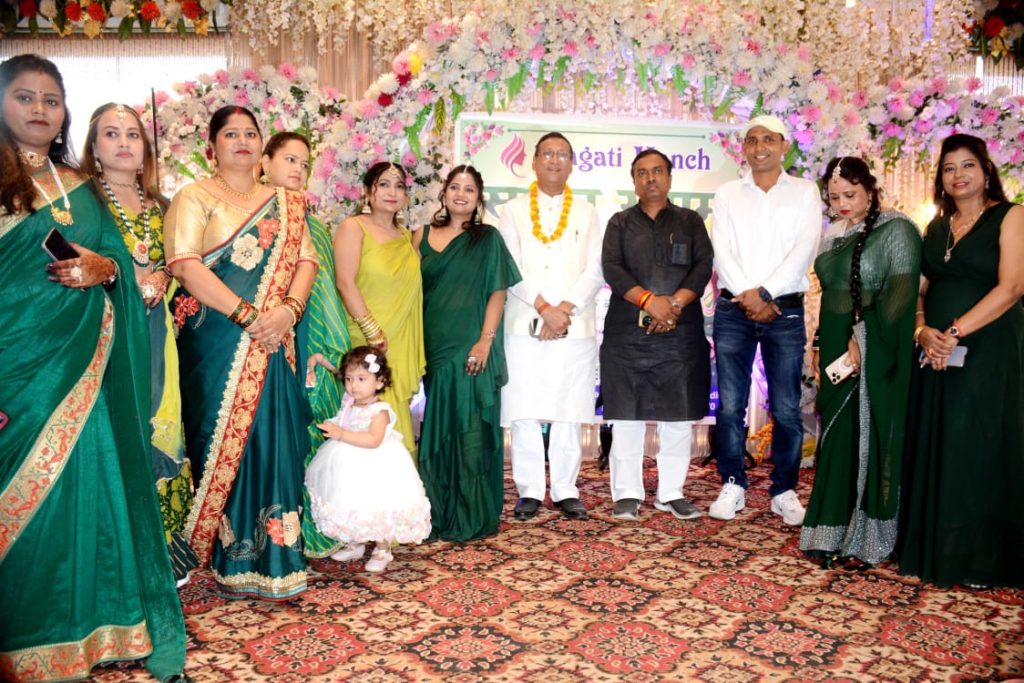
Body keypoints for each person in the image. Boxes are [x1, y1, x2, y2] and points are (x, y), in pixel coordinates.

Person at [0, 54, 186, 682]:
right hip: (14, 366)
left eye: (50, 100)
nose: (39, 109)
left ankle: (96, 630)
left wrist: (104, 269)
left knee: (86, 488)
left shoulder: (80, 185)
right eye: (25, 97)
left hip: (85, 364)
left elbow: (115, 263)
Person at [165, 105, 317, 600]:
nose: (243, 141)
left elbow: (306, 261)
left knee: (275, 439)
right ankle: (228, 555)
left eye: (251, 132)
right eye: (231, 133)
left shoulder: (287, 203)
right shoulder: (194, 196)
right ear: (212, 146)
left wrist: (289, 311)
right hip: (216, 340)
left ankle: (278, 558)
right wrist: (250, 317)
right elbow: (185, 266)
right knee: (219, 442)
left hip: (275, 337)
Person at [81, 101, 199, 585]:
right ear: (93, 147)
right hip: (103, 329)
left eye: (132, 134)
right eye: (111, 134)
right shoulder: (84, 202)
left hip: (155, 329)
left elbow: (181, 260)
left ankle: (162, 546)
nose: (124, 142)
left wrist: (162, 279)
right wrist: (128, 281)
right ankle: (115, 551)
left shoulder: (164, 207)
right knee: (113, 424)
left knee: (157, 419)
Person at [899, 133, 1024, 588]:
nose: (958, 175)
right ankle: (937, 549)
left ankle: (981, 558)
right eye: (949, 168)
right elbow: (920, 289)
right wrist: (922, 331)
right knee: (942, 442)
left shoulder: (1011, 217)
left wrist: (954, 332)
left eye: (968, 164)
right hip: (936, 353)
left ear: (986, 170)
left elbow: (1012, 287)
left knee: (977, 445)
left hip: (988, 349)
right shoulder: (936, 228)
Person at [799, 157, 921, 567]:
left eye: (850, 194)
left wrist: (862, 339)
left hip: (873, 343)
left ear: (871, 189)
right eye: (834, 197)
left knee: (865, 432)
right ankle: (829, 527)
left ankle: (867, 535)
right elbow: (831, 294)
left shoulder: (896, 228)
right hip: (835, 342)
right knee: (835, 435)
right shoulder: (835, 234)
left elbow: (900, 294)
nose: (842, 204)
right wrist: (820, 341)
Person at [709, 114, 822, 525]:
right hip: (734, 310)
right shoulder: (727, 193)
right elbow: (721, 250)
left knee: (787, 408)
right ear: (744, 148)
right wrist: (749, 297)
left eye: (768, 139)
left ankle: (784, 490)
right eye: (752, 140)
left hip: (784, 309)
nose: (760, 147)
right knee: (730, 406)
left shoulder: (805, 192)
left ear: (783, 145)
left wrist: (767, 294)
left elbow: (805, 248)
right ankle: (733, 484)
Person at [601, 149, 714, 521]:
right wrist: (650, 302)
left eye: (657, 171)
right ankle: (627, 493)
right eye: (642, 172)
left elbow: (702, 267)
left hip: (680, 333)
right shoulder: (619, 223)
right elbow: (612, 269)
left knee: (678, 416)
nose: (650, 178)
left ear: (669, 177)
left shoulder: (690, 221)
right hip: (627, 334)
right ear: (634, 181)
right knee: (627, 417)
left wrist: (673, 306)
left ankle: (671, 492)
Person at [497, 132, 605, 521]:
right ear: (534, 161)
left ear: (572, 163)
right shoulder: (511, 211)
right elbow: (509, 266)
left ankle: (565, 489)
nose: (554, 160)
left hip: (574, 324)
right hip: (524, 322)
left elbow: (596, 269)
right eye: (547, 153)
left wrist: (564, 310)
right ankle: (529, 490)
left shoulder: (588, 212)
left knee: (568, 409)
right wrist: (544, 308)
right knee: (524, 408)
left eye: (562, 154)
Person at [415, 165, 522, 541]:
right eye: (455, 187)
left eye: (470, 189)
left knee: (470, 430)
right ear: (444, 193)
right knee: (440, 429)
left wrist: (485, 340)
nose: (461, 194)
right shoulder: (420, 236)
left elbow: (498, 292)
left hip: (473, 344)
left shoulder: (487, 239)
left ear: (479, 199)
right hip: (434, 345)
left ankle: (472, 515)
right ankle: (438, 513)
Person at [259, 131, 351, 560]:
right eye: (289, 160)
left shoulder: (312, 224)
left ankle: (312, 529)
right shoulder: (250, 216)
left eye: (304, 163)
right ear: (265, 162)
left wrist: (330, 347)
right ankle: (268, 537)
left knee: (309, 429)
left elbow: (325, 293)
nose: (298, 169)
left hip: (308, 338)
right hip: (259, 340)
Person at [305, 346, 432, 572]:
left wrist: (340, 434)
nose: (353, 385)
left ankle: (383, 549)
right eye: (349, 379)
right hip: (348, 464)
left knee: (376, 505)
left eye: (362, 379)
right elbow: (337, 370)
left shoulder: (379, 411)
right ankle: (356, 542)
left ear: (379, 382)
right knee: (352, 501)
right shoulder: (350, 400)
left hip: (375, 466)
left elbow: (373, 440)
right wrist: (319, 359)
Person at [333, 162, 424, 456]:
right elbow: (345, 282)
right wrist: (373, 332)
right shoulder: (353, 227)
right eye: (383, 184)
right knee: (364, 410)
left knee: (392, 412)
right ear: (367, 191)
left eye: (399, 186)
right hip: (365, 338)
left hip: (398, 341)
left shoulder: (407, 237)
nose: (392, 192)